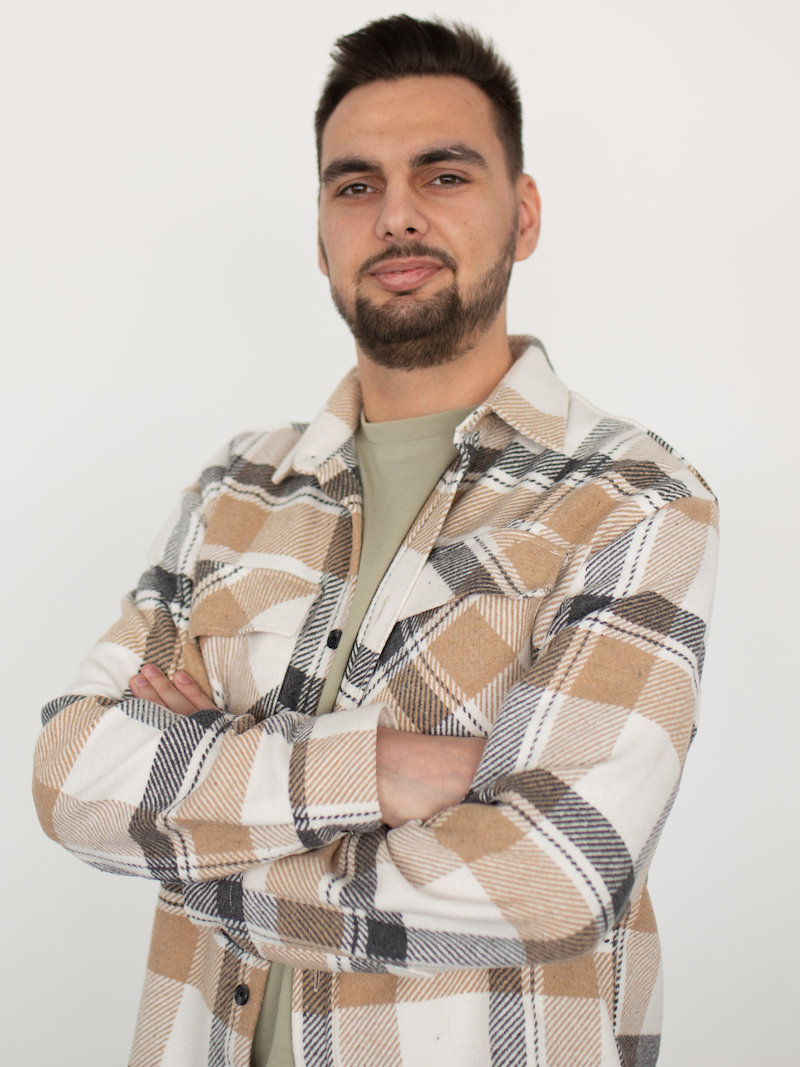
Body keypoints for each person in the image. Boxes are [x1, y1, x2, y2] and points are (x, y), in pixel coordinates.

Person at [33, 15, 718, 1067]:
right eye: (355, 185)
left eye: (443, 175)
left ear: (524, 214)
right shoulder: (236, 485)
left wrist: (192, 826)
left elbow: (553, 873)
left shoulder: (634, 500)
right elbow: (72, 773)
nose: (396, 214)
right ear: (320, 238)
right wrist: (382, 768)